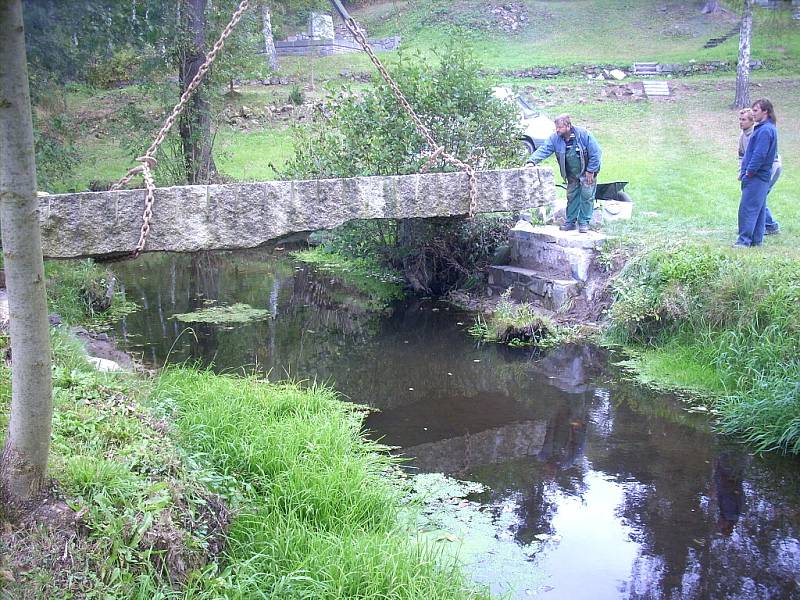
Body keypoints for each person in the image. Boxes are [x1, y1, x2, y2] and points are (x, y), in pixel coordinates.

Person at [525, 114, 602, 234]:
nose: (557, 130)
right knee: (571, 197)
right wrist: (532, 161)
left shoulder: (584, 135)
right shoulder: (555, 138)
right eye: (556, 127)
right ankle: (570, 222)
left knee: (587, 196)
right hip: (571, 173)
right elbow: (544, 149)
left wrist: (591, 170)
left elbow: (596, 153)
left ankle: (584, 223)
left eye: (560, 127)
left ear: (568, 126)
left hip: (587, 172)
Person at [735, 98, 779, 248]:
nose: (753, 114)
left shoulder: (766, 130)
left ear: (765, 111)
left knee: (747, 208)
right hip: (758, 176)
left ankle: (743, 241)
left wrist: (749, 172)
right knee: (759, 209)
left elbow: (759, 154)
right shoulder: (764, 128)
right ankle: (756, 240)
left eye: (755, 111)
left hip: (757, 176)